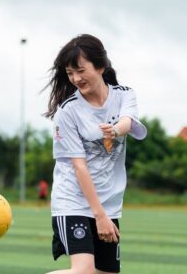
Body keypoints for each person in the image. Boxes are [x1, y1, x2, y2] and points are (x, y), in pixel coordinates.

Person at [43, 34, 147, 274]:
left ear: (100, 66)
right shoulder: (67, 112)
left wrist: (114, 131)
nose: (75, 78)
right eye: (70, 73)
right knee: (83, 271)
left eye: (80, 70)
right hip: (73, 203)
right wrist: (99, 216)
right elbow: (79, 167)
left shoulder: (124, 94)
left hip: (108, 204)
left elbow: (127, 122)